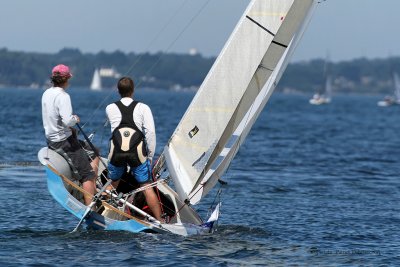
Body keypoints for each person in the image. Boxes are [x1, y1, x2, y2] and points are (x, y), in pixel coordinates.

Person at [105, 76, 163, 222]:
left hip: (116, 151)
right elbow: (150, 133)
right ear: (133, 90)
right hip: (136, 152)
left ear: (118, 91)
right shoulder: (143, 108)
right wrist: (149, 156)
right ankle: (160, 220)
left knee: (113, 183)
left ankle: (100, 212)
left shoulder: (110, 108)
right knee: (146, 186)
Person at [41, 64, 99, 206]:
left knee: (94, 152)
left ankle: (93, 188)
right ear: (66, 79)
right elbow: (68, 120)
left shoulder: (46, 93)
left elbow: (54, 117)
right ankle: (90, 206)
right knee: (88, 175)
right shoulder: (63, 96)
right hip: (63, 142)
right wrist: (75, 119)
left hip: (51, 139)